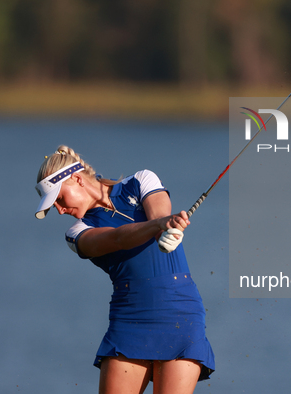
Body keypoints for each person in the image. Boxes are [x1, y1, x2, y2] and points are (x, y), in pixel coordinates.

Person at [34, 145, 214, 394]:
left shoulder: (141, 181)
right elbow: (117, 238)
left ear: (76, 179)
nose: (60, 210)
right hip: (130, 319)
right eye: (54, 205)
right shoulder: (76, 233)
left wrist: (166, 226)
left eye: (60, 199)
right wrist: (159, 225)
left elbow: (159, 214)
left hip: (180, 313)